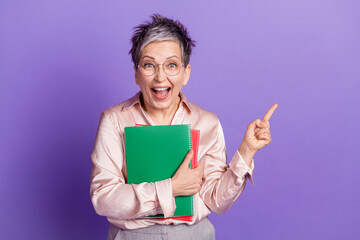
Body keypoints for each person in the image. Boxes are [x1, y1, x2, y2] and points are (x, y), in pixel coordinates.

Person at [90, 14, 278, 240]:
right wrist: (171, 188)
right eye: (149, 65)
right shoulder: (114, 120)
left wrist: (247, 151)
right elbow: (103, 199)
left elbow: (216, 201)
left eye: (171, 65)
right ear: (136, 74)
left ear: (185, 73)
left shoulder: (207, 122)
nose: (161, 77)